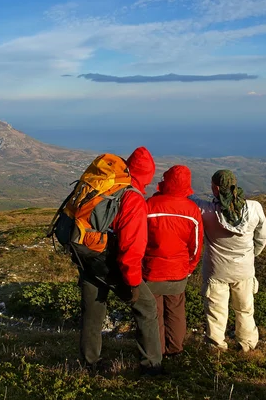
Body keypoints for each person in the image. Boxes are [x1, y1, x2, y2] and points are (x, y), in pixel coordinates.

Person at [79, 147, 163, 375]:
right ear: (147, 175)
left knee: (93, 310)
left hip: (88, 256)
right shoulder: (133, 198)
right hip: (112, 264)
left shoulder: (106, 186)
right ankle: (151, 365)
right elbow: (131, 249)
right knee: (146, 307)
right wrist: (133, 284)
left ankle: (90, 364)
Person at [190, 170, 266, 352]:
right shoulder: (255, 208)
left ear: (216, 188)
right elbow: (262, 237)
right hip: (245, 271)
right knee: (245, 310)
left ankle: (216, 347)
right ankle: (247, 345)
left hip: (216, 271)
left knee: (216, 312)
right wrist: (252, 255)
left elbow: (188, 198)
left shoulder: (207, 211)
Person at [144, 165, 204, 356]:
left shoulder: (149, 206)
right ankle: (175, 350)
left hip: (152, 270)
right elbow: (195, 246)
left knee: (153, 314)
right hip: (178, 271)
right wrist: (189, 267)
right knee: (176, 312)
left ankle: (156, 352)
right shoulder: (192, 211)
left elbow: (139, 239)